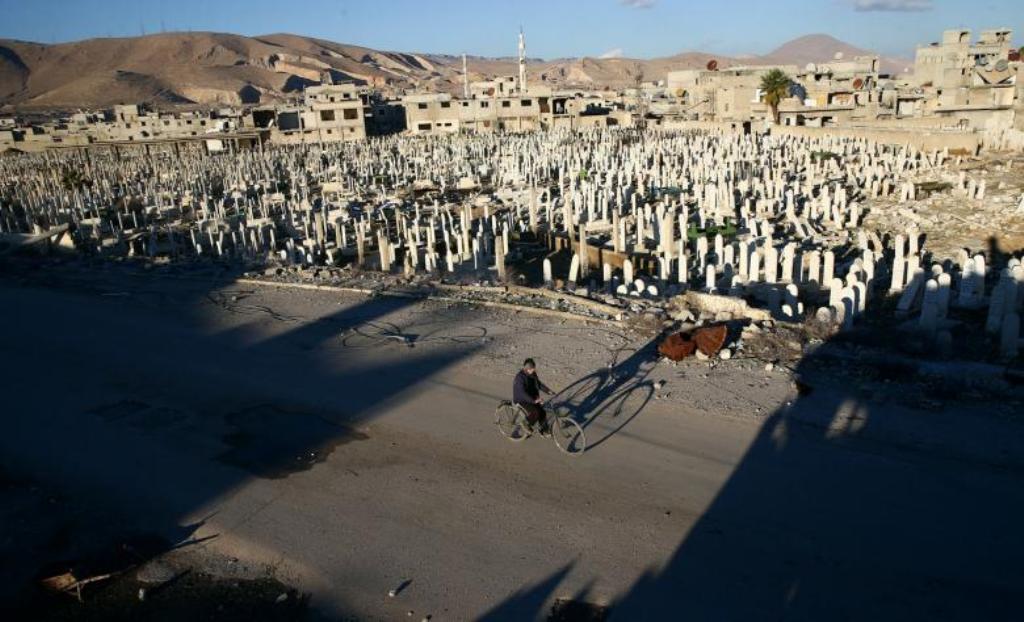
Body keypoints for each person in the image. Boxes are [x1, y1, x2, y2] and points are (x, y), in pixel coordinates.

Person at [512, 358, 554, 435]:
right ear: (527, 369)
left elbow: (538, 384)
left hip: (532, 397)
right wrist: (533, 401)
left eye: (534, 368)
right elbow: (522, 393)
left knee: (542, 412)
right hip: (521, 400)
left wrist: (548, 391)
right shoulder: (519, 378)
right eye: (532, 369)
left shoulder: (533, 374)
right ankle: (526, 425)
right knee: (535, 412)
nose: (534, 370)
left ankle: (543, 429)